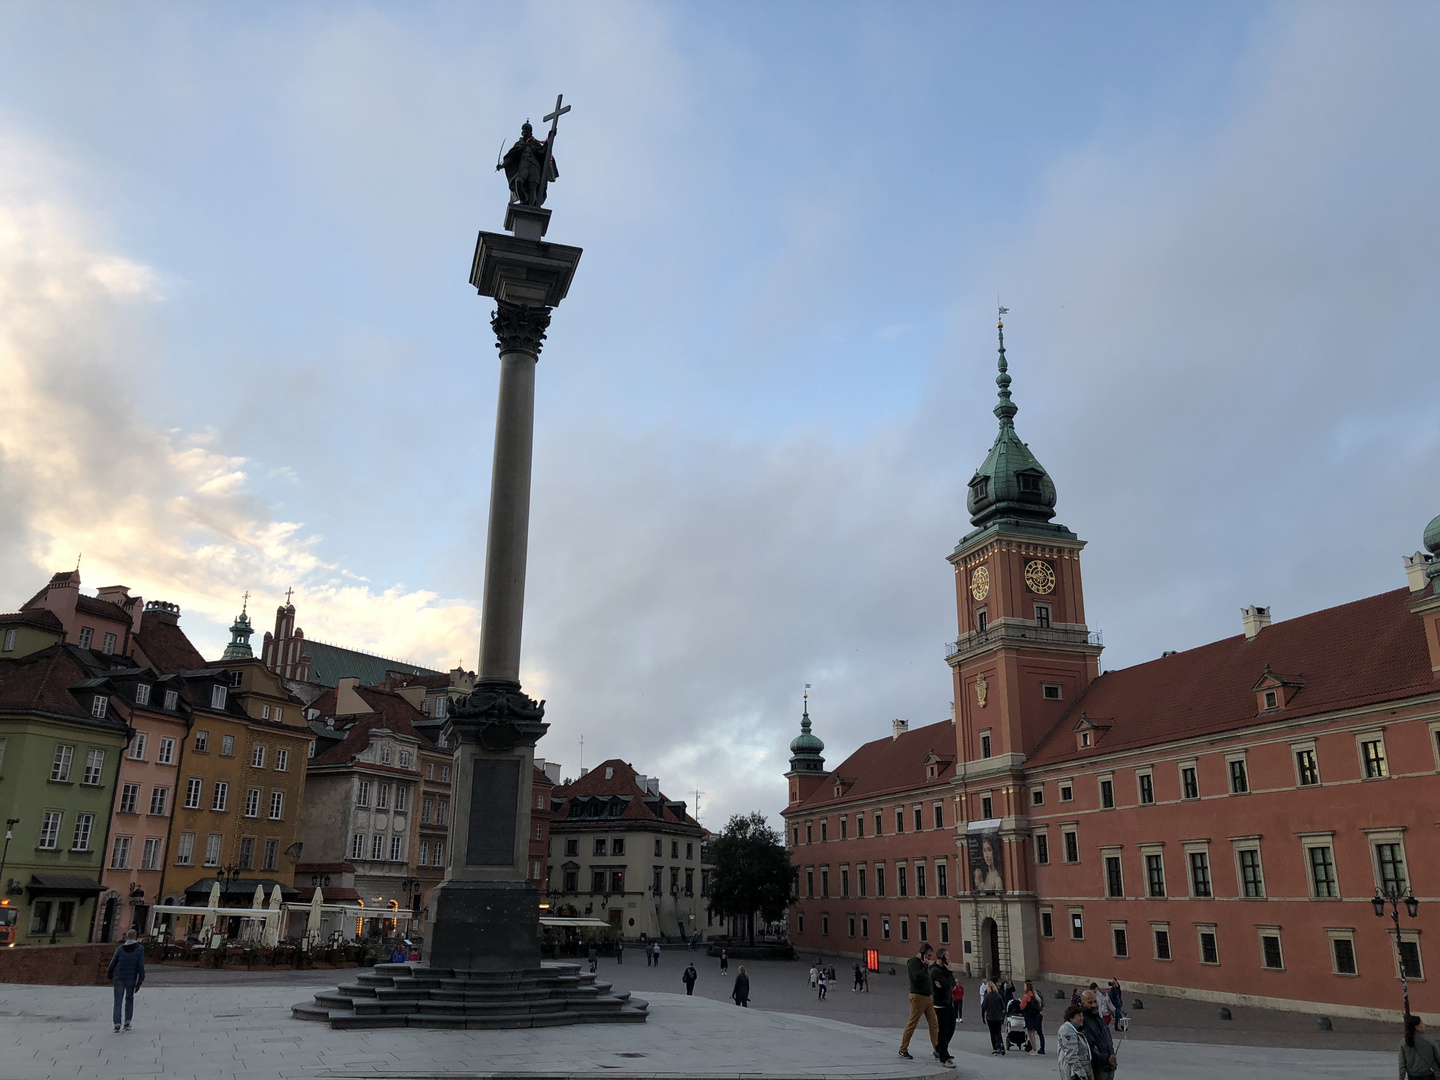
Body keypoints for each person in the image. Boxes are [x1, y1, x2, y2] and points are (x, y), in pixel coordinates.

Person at [898, 943, 941, 1062]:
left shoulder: (924, 964)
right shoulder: (913, 962)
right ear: (922, 953)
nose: (929, 958)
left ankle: (937, 1048)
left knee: (933, 1024)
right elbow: (917, 977)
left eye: (930, 956)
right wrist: (925, 966)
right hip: (917, 996)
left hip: (928, 997)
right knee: (912, 1023)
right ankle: (903, 1048)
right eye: (928, 955)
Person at [107, 929, 145, 1033]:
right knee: (129, 999)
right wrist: (140, 980)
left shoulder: (120, 949)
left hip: (119, 976)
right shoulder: (140, 949)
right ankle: (127, 1022)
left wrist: (109, 974)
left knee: (117, 1001)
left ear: (127, 937)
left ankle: (117, 1024)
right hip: (131, 977)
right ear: (136, 937)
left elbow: (113, 962)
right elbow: (140, 965)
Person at [929, 947, 958, 1067]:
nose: (949, 958)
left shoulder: (944, 969)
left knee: (951, 1027)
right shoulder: (935, 971)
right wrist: (949, 974)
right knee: (944, 1030)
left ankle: (940, 1048)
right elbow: (947, 985)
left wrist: (948, 980)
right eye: (948, 956)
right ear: (942, 958)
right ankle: (944, 1057)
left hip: (948, 1003)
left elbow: (953, 984)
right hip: (940, 1004)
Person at [1080, 988, 1118, 1080]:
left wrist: (1112, 1056)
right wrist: (1106, 1059)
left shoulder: (1099, 1019)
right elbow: (1090, 1048)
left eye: (1095, 1001)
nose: (1094, 1005)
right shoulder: (1084, 1022)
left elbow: (1108, 1040)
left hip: (1109, 1067)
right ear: (1083, 1004)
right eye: (1090, 1002)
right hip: (1097, 1069)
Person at [1056, 1003, 1092, 1080]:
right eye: (1079, 1016)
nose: (1082, 1018)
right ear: (1071, 1018)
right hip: (1073, 1072)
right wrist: (1081, 1073)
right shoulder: (1067, 1030)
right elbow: (1071, 1054)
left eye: (1082, 1016)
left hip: (1079, 1068)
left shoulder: (1075, 1030)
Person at [1400, 1014, 1440, 1080]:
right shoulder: (1429, 1041)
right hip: (1428, 1075)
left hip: (1412, 1076)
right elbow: (1438, 1057)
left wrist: (1401, 1078)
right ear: (1417, 1027)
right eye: (1422, 1024)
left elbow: (1402, 1065)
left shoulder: (1404, 1042)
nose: (1424, 1026)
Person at [980, 978, 1006, 1055]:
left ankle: (995, 1048)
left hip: (990, 1017)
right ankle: (1000, 1045)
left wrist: (983, 1016)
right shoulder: (998, 996)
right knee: (998, 1032)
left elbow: (984, 1006)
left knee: (992, 1033)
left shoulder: (987, 996)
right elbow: (1003, 1007)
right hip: (998, 1017)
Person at [1020, 979, 1045, 1055]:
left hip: (1028, 1015)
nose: (1024, 987)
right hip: (1035, 1015)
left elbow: (1022, 1006)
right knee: (1033, 1032)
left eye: (1024, 986)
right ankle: (1035, 1048)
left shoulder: (1026, 996)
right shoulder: (1033, 995)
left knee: (1031, 1033)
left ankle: (1034, 1049)